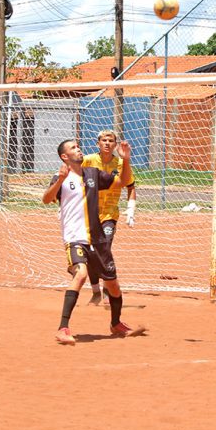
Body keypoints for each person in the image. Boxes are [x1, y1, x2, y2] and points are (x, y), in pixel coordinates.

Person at [42, 138, 146, 345]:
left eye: (78, 146)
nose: (78, 149)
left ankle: (116, 324)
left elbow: (122, 182)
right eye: (73, 148)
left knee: (114, 286)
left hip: (97, 240)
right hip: (74, 237)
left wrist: (126, 160)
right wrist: (60, 180)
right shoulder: (60, 176)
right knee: (80, 274)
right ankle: (63, 328)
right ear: (64, 156)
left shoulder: (92, 174)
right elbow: (46, 199)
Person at [81, 129, 137, 306]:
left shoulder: (120, 163)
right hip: (88, 213)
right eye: (103, 140)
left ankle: (107, 291)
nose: (107, 143)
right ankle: (95, 292)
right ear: (98, 143)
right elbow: (72, 176)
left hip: (110, 214)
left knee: (104, 248)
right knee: (90, 253)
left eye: (110, 140)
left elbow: (130, 185)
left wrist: (131, 208)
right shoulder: (88, 160)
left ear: (115, 144)